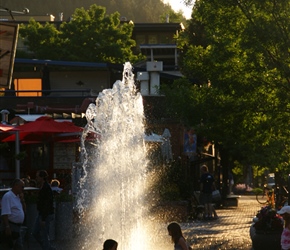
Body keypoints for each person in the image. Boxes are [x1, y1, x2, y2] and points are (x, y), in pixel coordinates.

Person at [0, 179, 26, 250]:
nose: (22, 189)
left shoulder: (17, 197)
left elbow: (24, 209)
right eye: (22, 187)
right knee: (8, 246)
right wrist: (7, 226)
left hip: (17, 226)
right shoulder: (8, 196)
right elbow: (5, 213)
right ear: (16, 186)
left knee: (19, 246)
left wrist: (22, 200)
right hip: (11, 225)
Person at [32, 170, 55, 250]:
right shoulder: (42, 187)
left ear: (42, 178)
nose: (36, 178)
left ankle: (47, 247)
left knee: (44, 233)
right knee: (36, 232)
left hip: (45, 214)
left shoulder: (46, 188)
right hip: (41, 213)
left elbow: (47, 204)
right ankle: (47, 247)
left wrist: (44, 218)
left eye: (38, 177)